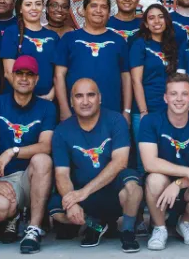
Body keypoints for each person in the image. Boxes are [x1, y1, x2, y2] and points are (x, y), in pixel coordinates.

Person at [49, 78, 143, 252]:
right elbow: (61, 174)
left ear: (99, 98)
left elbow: (120, 161)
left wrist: (84, 192)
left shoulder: (116, 120)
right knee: (56, 209)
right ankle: (96, 225)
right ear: (71, 101)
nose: (85, 101)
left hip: (112, 192)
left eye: (91, 95)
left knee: (133, 185)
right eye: (79, 96)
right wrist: (72, 202)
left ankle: (128, 231)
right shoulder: (62, 130)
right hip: (85, 198)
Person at [0, 56, 56, 253]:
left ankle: (33, 229)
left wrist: (12, 151)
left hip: (33, 176)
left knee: (43, 160)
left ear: (36, 80)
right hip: (6, 178)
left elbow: (46, 146)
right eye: (19, 73)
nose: (24, 78)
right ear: (12, 77)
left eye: (29, 75)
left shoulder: (46, 107)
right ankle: (15, 215)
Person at [139, 73, 189, 250]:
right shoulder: (151, 121)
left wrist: (179, 183)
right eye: (173, 94)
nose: (179, 99)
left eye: (184, 94)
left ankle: (186, 223)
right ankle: (159, 228)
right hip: (161, 190)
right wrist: (188, 171)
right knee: (155, 179)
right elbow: (149, 163)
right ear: (165, 98)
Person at [54, 0, 131, 122]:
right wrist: (64, 109)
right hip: (75, 114)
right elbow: (58, 76)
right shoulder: (69, 38)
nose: (99, 10)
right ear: (83, 10)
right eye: (94, 6)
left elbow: (126, 77)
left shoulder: (119, 41)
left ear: (108, 13)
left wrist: (127, 111)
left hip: (112, 113)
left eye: (104, 7)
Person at [130, 4, 179, 142]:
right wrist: (143, 112)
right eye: (151, 18)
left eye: (161, 17)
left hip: (169, 110)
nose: (157, 21)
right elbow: (136, 81)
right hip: (146, 109)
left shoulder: (172, 45)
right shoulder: (140, 45)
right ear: (146, 24)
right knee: (144, 159)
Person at [1, 0, 59, 101]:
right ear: (21, 9)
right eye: (28, 4)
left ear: (43, 7)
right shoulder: (11, 32)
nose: (34, 8)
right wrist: (31, 100)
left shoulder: (53, 37)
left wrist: (51, 96)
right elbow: (8, 73)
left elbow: (59, 75)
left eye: (38, 4)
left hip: (47, 101)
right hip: (18, 101)